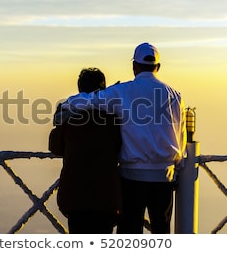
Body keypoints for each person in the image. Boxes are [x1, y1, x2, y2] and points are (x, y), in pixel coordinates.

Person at [59, 43, 187, 234]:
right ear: (158, 67)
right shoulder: (174, 95)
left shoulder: (121, 92)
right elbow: (181, 138)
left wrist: (65, 106)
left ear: (134, 66)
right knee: (161, 231)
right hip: (164, 177)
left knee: (129, 233)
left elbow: (86, 101)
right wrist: (178, 169)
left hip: (131, 178)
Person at [49, 67, 122, 234]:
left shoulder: (68, 117)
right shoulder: (114, 118)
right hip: (106, 197)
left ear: (80, 89)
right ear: (103, 90)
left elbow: (55, 147)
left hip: (75, 197)